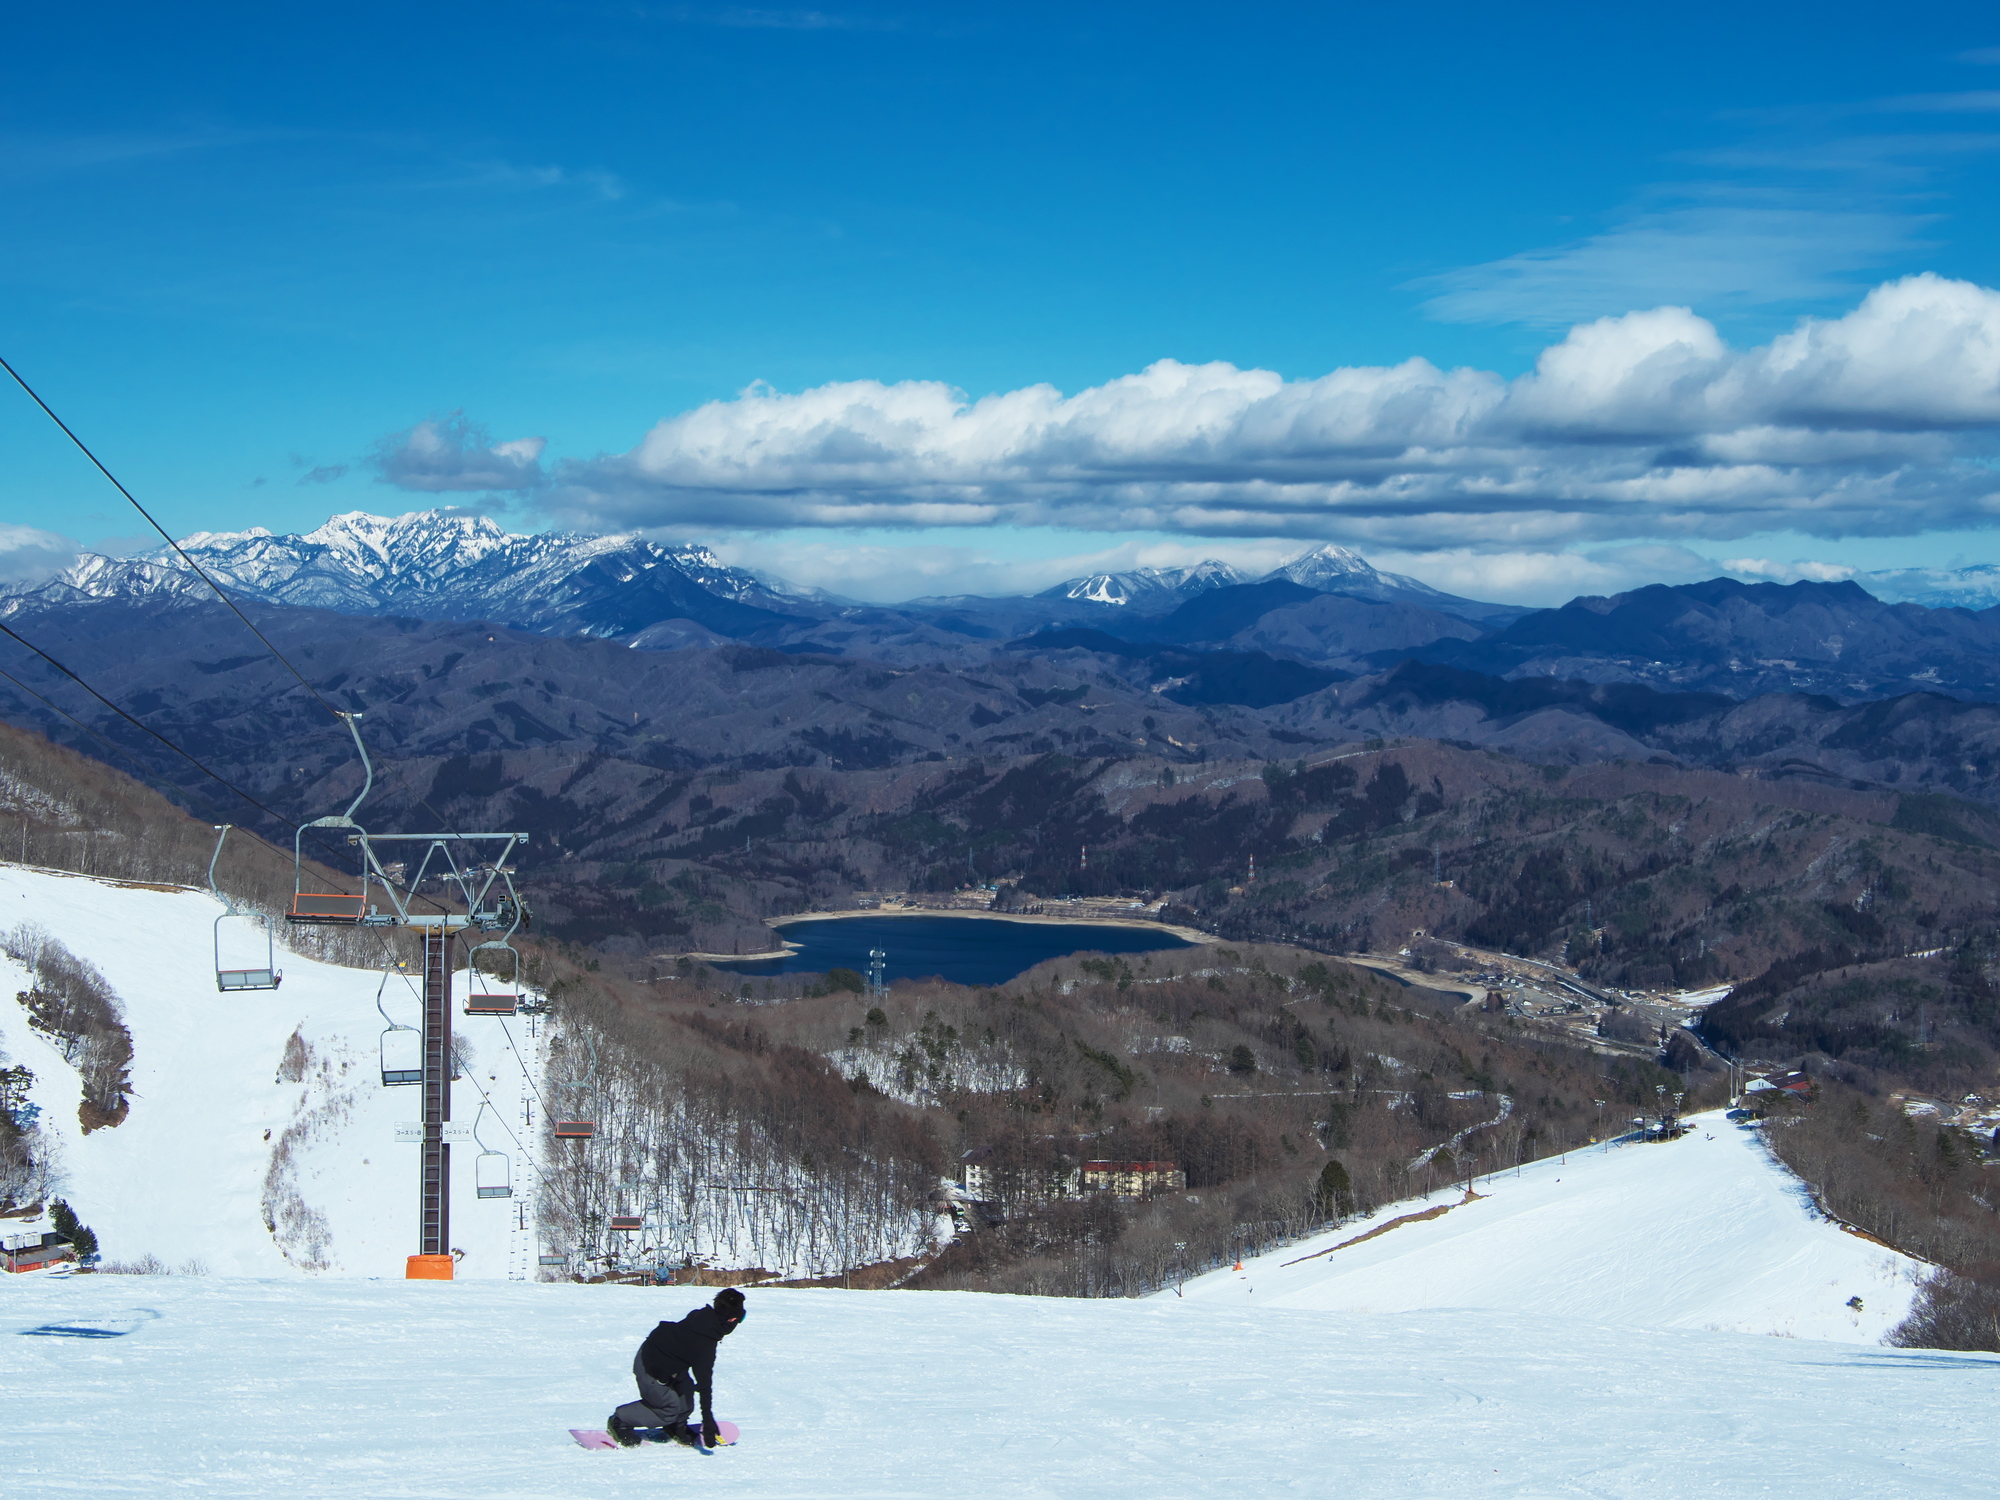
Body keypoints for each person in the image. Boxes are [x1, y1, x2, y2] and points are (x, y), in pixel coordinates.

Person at [607, 1287, 746, 1449]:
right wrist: (708, 1421)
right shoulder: (705, 1344)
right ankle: (621, 1420)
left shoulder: (702, 1317)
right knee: (669, 1409)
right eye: (741, 1318)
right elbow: (704, 1386)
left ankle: (675, 1426)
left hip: (668, 1364)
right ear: (731, 1320)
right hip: (649, 1366)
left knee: (686, 1395)